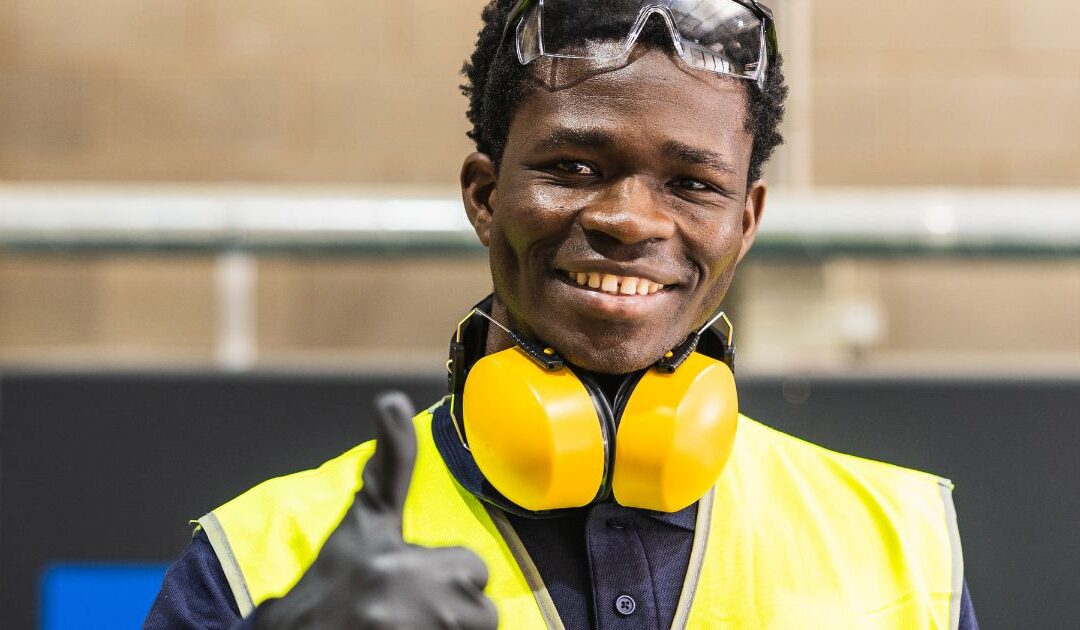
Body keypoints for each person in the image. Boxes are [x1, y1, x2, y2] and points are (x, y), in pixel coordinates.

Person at [146, 1, 978, 628]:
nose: (631, 219)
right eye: (574, 166)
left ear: (745, 222)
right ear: (484, 195)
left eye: (693, 184)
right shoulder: (260, 558)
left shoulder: (903, 542)